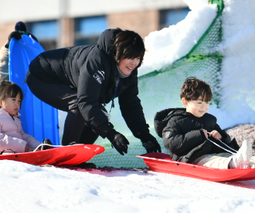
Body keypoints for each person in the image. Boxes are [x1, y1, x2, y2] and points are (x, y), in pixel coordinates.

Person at [25, 28, 161, 154]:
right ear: (117, 53)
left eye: (138, 58)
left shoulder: (129, 72)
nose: (134, 63)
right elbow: (86, 102)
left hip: (65, 80)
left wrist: (144, 135)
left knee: (99, 115)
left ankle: (78, 155)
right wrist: (111, 134)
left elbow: (130, 104)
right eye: (130, 57)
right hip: (42, 74)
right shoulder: (97, 61)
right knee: (79, 105)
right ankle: (68, 151)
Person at [154, 77, 255, 169]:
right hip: (191, 158)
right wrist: (198, 134)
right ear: (185, 101)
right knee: (212, 161)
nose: (204, 107)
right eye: (199, 103)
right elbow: (170, 143)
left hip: (213, 151)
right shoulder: (175, 121)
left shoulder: (209, 119)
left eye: (207, 103)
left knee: (226, 155)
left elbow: (225, 138)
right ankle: (236, 163)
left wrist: (220, 136)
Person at [0, 80, 44, 156]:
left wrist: (38, 145)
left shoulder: (14, 118)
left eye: (19, 101)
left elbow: (22, 136)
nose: (17, 104)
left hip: (12, 152)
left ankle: (43, 150)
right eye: (13, 100)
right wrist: (22, 146)